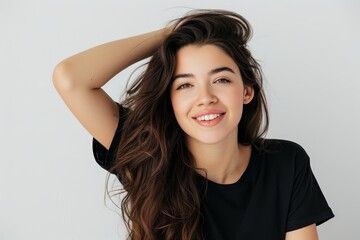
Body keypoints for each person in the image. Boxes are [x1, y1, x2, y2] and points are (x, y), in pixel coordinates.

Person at [53, 9, 334, 240]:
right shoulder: (149, 158)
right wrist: (171, 35)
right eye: (185, 84)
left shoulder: (286, 163)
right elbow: (71, 79)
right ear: (169, 101)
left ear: (247, 91)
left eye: (221, 80)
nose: (205, 98)